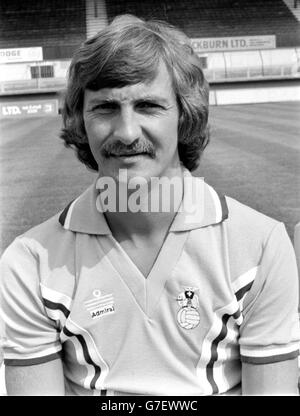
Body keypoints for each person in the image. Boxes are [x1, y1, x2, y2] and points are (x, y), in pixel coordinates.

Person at [0, 14, 299, 396]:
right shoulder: (30, 263)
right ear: (81, 121)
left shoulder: (260, 247)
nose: (126, 132)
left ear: (183, 114)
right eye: (105, 107)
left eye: (148, 106)